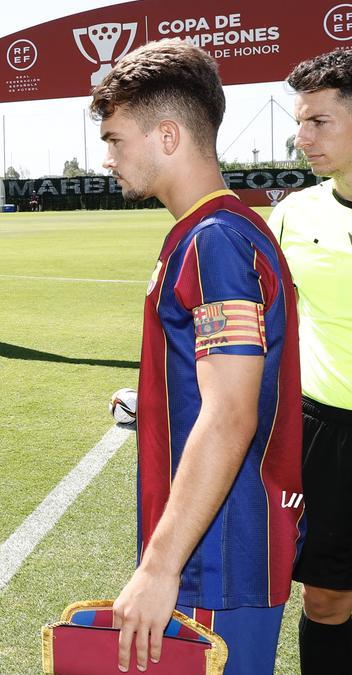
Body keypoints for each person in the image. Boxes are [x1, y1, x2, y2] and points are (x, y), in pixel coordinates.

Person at [91, 41, 302, 674]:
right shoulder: (220, 229)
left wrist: (159, 566)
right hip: (217, 546)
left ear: (167, 134)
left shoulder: (215, 241)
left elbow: (230, 412)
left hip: (218, 556)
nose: (108, 159)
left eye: (115, 139)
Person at [269, 49, 352, 674]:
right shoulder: (294, 214)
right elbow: (255, 322)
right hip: (327, 433)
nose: (302, 139)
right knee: (325, 600)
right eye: (300, 122)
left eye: (319, 122)